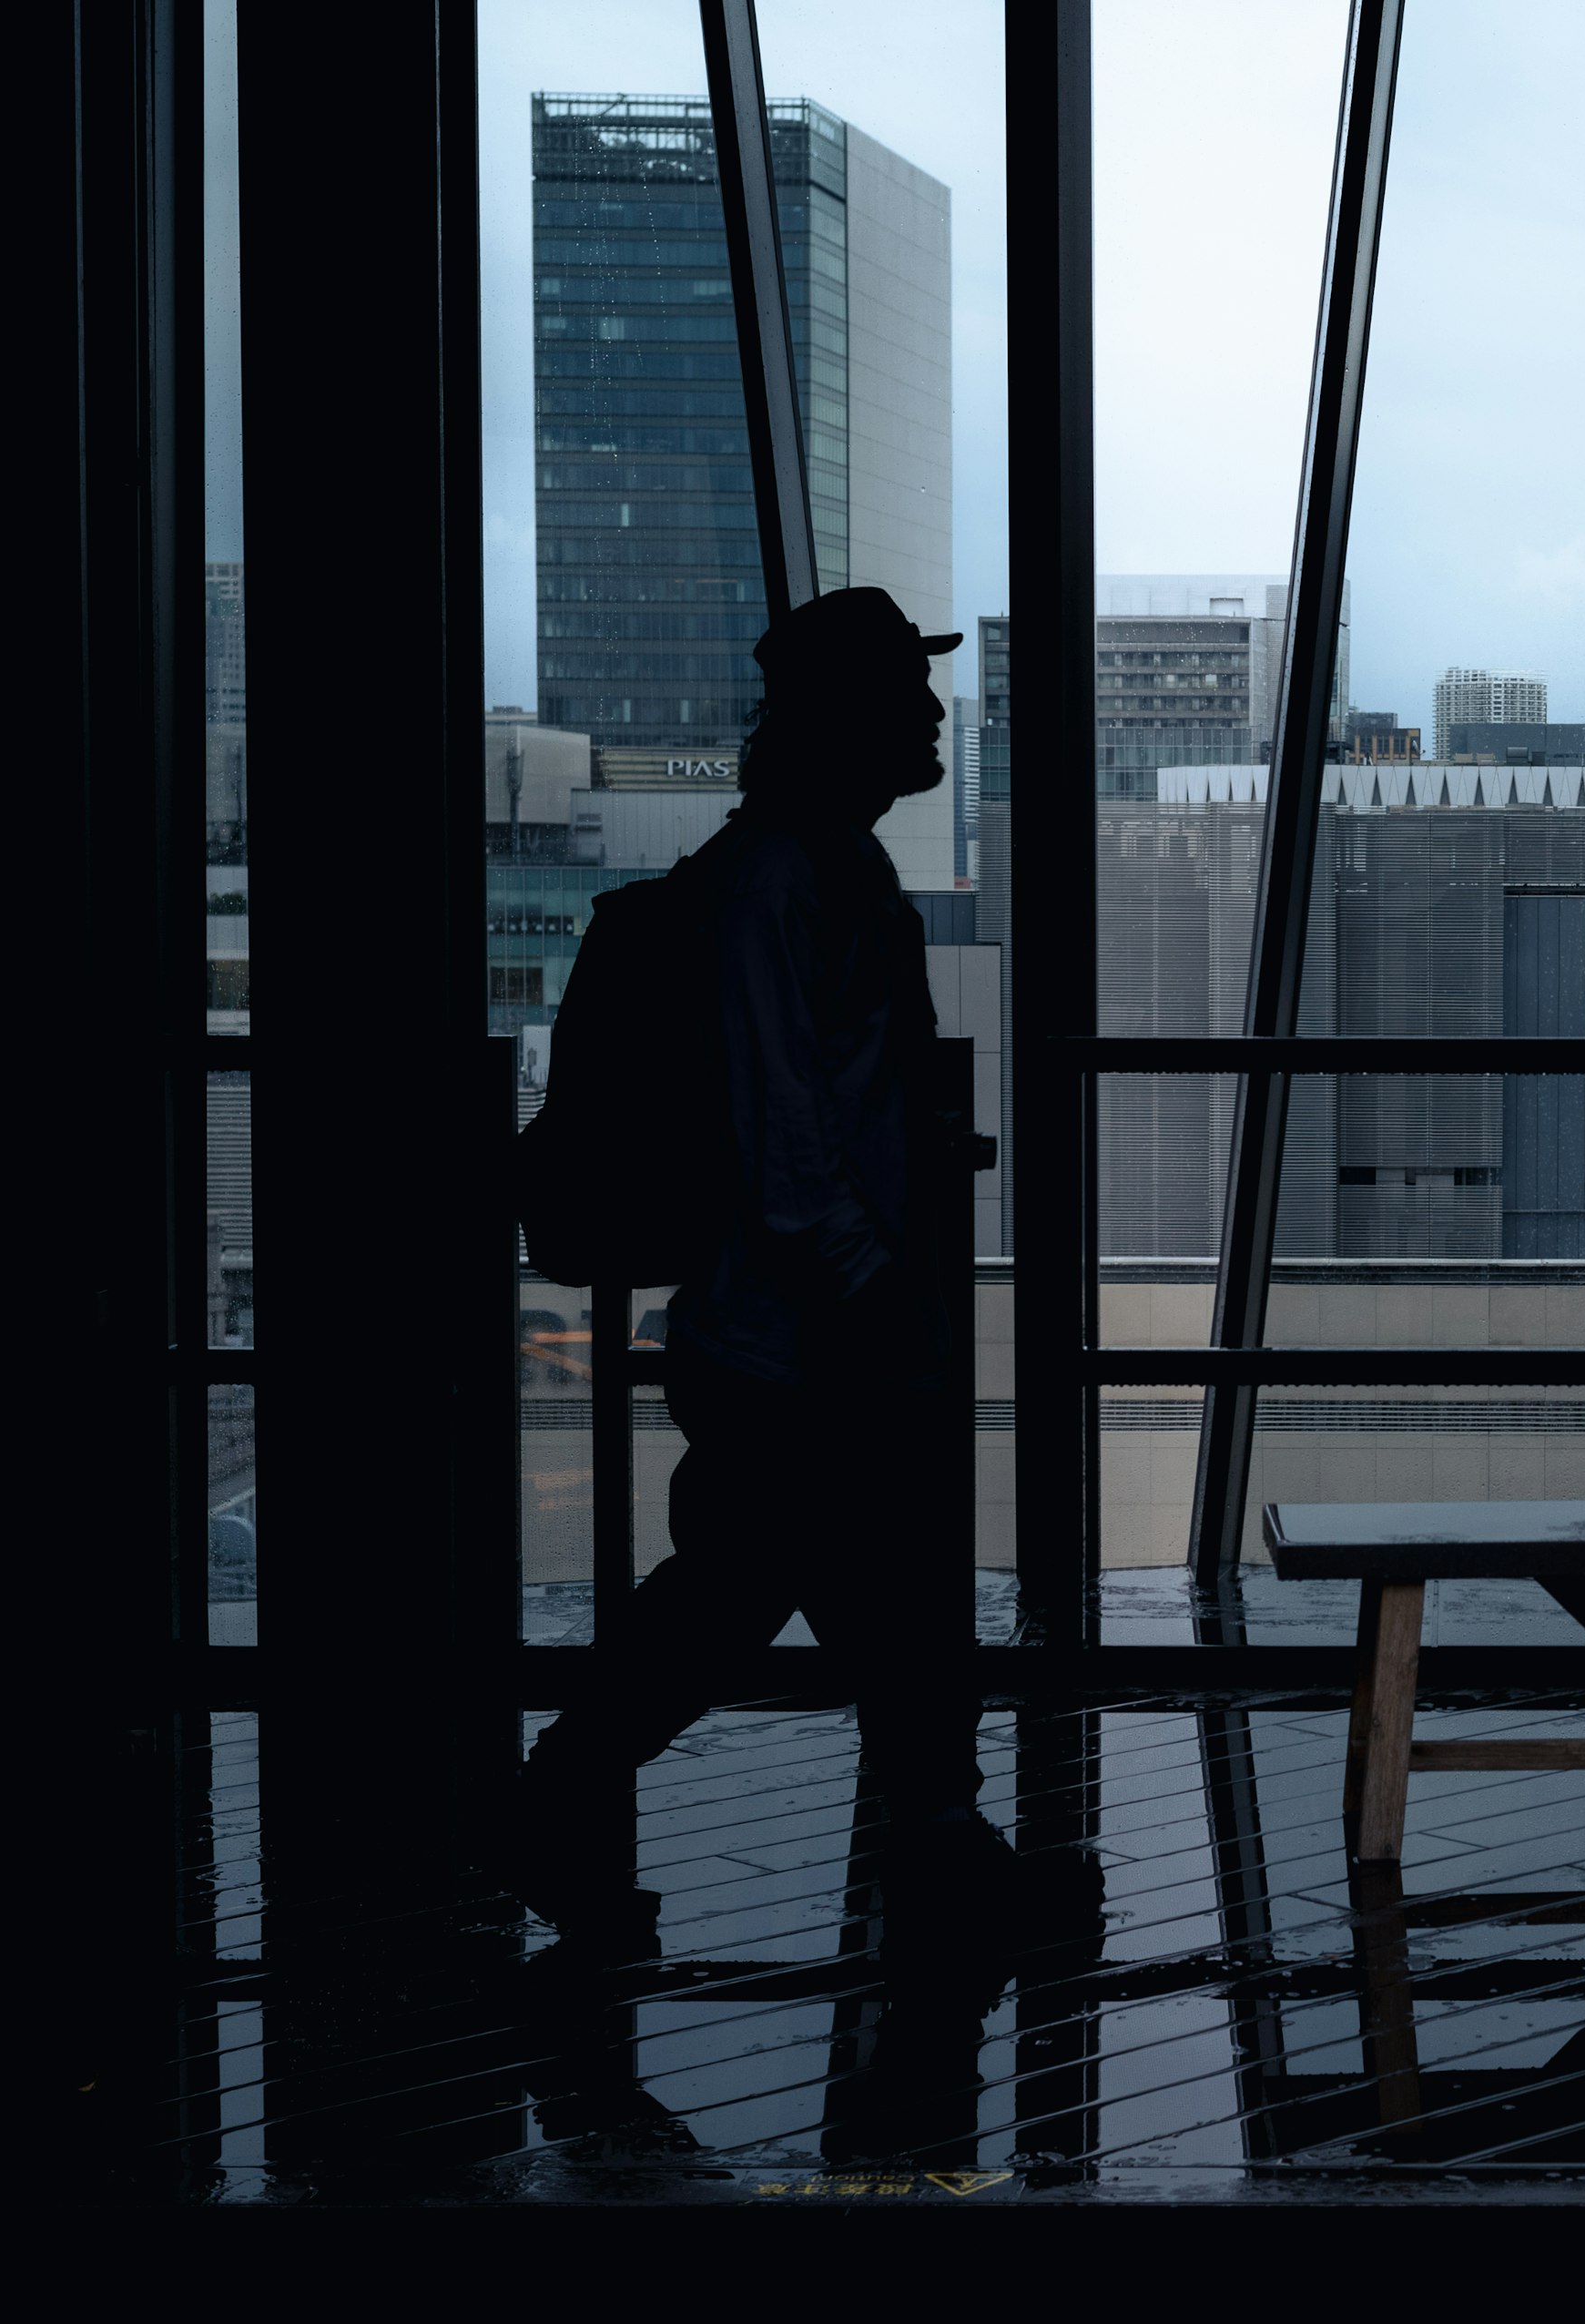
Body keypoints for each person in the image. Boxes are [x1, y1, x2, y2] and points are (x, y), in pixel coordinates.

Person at [508, 586, 998, 1943]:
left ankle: (940, 1848)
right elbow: (778, 1122)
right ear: (848, 715)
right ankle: (568, 1792)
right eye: (908, 688)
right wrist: (870, 1280)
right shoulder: (786, 879)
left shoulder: (811, 864)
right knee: (775, 1593)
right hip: (798, 1331)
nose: (933, 710)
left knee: (822, 1592)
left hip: (790, 1327)